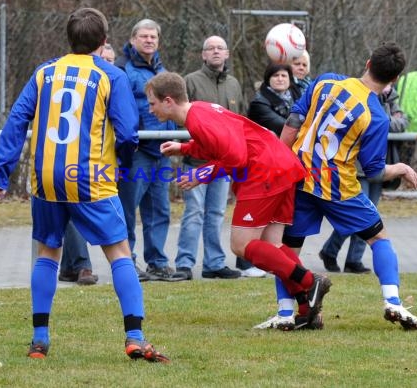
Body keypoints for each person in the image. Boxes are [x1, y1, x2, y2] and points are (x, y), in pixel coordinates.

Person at [0, 8, 169, 362]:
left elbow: (16, 120)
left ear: (68, 39)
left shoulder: (44, 72)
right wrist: (124, 162)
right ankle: (134, 336)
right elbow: (129, 132)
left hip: (47, 179)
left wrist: (0, 173)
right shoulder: (109, 75)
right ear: (104, 42)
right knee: (119, 252)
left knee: (48, 252)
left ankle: (39, 340)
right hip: (89, 179)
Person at [146, 71, 331, 331]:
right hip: (281, 165)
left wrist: (202, 173)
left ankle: (310, 281)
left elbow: (236, 156)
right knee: (273, 245)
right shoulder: (200, 110)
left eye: (152, 103)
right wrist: (184, 148)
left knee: (242, 245)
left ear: (168, 101)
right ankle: (306, 309)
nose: (150, 109)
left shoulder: (197, 119)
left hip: (263, 171)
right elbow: (223, 142)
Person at [279, 42, 417, 330]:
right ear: (394, 80)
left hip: (299, 178)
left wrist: (280, 160)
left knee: (288, 251)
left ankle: (285, 313)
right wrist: (402, 168)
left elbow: (294, 121)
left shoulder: (325, 81)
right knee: (379, 239)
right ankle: (393, 302)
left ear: (368, 62)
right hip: (338, 187)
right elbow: (373, 172)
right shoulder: (377, 117)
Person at [115, 19, 186, 282]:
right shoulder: (123, 68)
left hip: (162, 151)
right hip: (137, 151)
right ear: (133, 39)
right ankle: (126, 261)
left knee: (159, 210)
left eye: (153, 37)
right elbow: (121, 108)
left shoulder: (161, 69)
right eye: (143, 36)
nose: (149, 40)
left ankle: (157, 262)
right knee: (127, 208)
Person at [319, 85, 409, 274]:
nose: (386, 86)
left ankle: (350, 259)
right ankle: (333, 251)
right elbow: (375, 122)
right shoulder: (361, 96)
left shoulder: (391, 99)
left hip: (380, 164)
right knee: (359, 214)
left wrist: (389, 119)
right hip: (359, 166)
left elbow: (402, 123)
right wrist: (389, 119)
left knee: (369, 214)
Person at [174, 36, 244, 280]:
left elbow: (238, 121)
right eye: (210, 48)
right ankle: (184, 264)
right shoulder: (190, 81)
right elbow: (181, 117)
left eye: (220, 48)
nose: (215, 52)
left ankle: (214, 263)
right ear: (203, 55)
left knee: (216, 213)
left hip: (223, 165)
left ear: (227, 54)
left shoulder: (234, 84)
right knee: (194, 212)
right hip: (196, 162)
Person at [58, 45, 117, 286]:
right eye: (103, 59)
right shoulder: (81, 86)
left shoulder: (117, 84)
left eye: (111, 61)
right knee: (74, 213)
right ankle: (83, 265)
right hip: (80, 163)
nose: (107, 64)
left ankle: (69, 268)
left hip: (109, 164)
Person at [247, 62, 298, 136]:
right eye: (275, 75)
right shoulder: (258, 103)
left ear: (290, 80)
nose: (280, 79)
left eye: (284, 76)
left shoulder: (296, 96)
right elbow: (283, 126)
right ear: (268, 79)